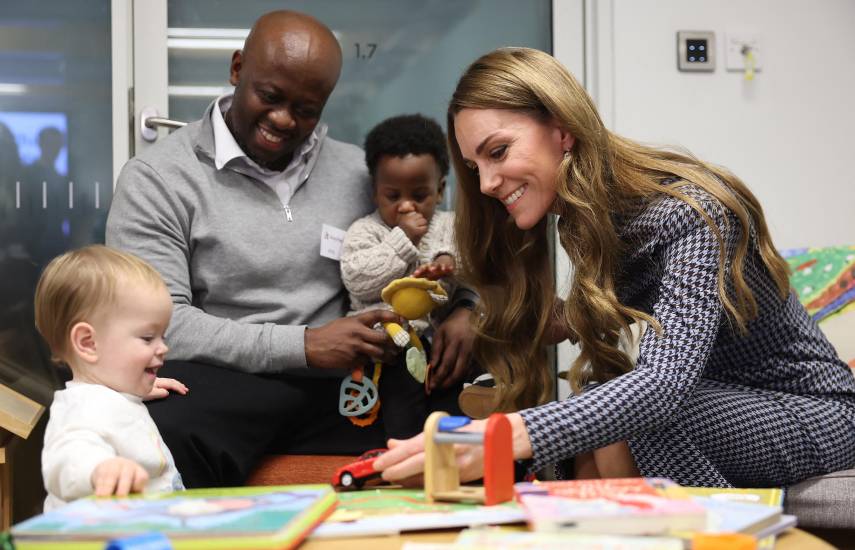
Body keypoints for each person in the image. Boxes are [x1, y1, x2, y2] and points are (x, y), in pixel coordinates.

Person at [375, 47, 855, 488]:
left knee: (638, 416)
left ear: (562, 128)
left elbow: (664, 384)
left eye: (497, 152)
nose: (486, 183)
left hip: (820, 413)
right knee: (596, 425)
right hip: (720, 399)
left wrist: (506, 434)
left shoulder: (691, 210)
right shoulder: (582, 220)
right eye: (476, 166)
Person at [106, 10, 476, 487]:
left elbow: (441, 246)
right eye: (270, 96)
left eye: (306, 109)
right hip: (229, 379)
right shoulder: (159, 178)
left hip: (349, 382)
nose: (283, 120)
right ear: (238, 69)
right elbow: (160, 323)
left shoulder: (362, 175)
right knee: (161, 428)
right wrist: (304, 345)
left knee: (455, 410)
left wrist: (467, 308)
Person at [33, 245, 187, 510]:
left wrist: (137, 387)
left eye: (163, 336)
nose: (163, 348)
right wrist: (100, 468)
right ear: (88, 343)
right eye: (148, 338)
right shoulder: (82, 408)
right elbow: (68, 455)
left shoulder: (109, 395)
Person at [340, 114, 461, 438]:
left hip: (440, 347)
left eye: (419, 195)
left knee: (455, 403)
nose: (407, 206)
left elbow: (471, 267)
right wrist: (403, 240)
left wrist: (450, 263)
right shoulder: (365, 230)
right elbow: (357, 279)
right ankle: (406, 460)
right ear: (375, 191)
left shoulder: (451, 226)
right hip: (387, 346)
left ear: (440, 190)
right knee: (402, 410)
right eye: (393, 196)